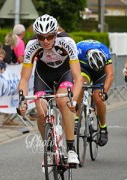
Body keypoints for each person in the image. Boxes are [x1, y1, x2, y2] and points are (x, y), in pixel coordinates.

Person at [18, 14, 82, 166]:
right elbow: (24, 79)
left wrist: (74, 100)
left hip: (64, 74)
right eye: (41, 37)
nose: (45, 41)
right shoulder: (32, 45)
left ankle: (71, 149)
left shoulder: (67, 42)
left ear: (55, 34)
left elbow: (78, 78)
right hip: (43, 75)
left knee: (63, 101)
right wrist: (22, 100)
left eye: (49, 36)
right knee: (41, 110)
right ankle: (48, 148)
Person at [76, 40, 114, 146]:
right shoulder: (78, 49)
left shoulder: (105, 51)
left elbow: (110, 75)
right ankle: (75, 119)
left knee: (98, 98)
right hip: (85, 69)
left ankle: (103, 128)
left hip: (100, 73)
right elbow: (70, 68)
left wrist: (104, 93)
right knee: (80, 87)